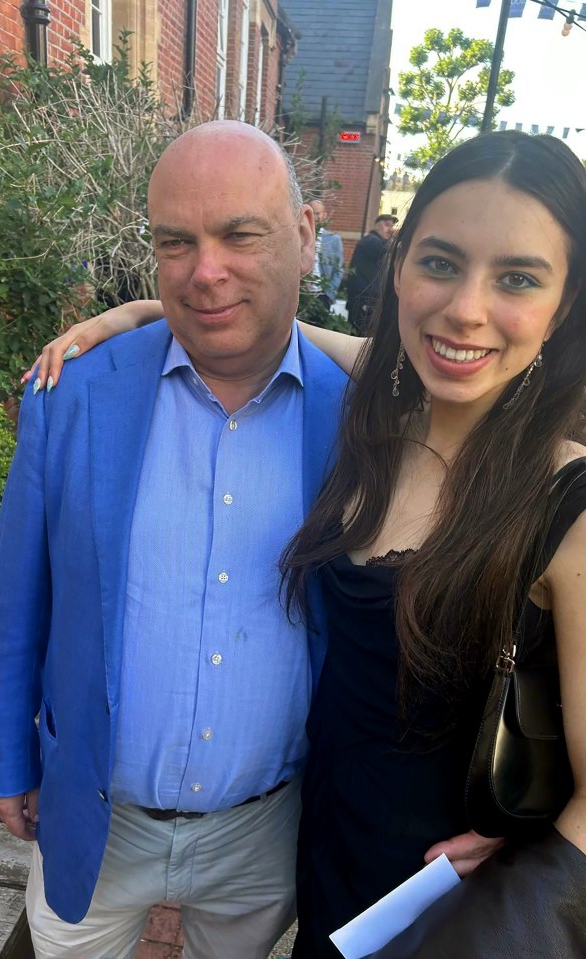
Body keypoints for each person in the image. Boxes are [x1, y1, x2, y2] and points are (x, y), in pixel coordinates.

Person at [37, 130, 586, 958]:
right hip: (324, 851)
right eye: (440, 263)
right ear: (399, 270)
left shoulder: (566, 499)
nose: (466, 308)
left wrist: (520, 869)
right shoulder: (375, 420)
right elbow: (282, 332)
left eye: (517, 278)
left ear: (566, 303)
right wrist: (150, 312)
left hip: (456, 899)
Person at [0, 120, 349, 959]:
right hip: (93, 813)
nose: (203, 271)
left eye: (239, 235)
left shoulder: (361, 419)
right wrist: (2, 757)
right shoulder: (74, 395)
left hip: (266, 828)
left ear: (307, 233)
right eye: (174, 242)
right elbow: (16, 594)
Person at [346, 213, 397, 333]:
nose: (389, 229)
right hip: (363, 298)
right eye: (386, 225)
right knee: (360, 334)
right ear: (376, 226)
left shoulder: (376, 242)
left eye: (391, 226)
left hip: (369, 298)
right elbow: (381, 248)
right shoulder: (370, 240)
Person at [308, 199, 344, 310]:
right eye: (312, 213)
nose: (315, 217)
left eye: (318, 213)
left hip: (322, 295)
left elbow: (338, 269)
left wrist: (329, 294)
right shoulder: (299, 238)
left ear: (324, 215)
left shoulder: (333, 240)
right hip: (302, 296)